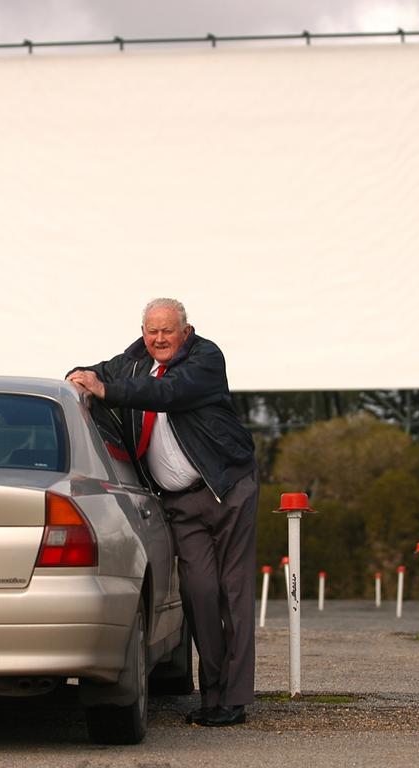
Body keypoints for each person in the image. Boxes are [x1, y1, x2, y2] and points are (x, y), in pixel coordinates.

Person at [67, 297, 258, 728]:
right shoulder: (137, 360)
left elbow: (167, 394)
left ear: (184, 331)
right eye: (151, 331)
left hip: (226, 487)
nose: (159, 339)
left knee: (234, 593)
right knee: (199, 593)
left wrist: (108, 390)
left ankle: (234, 698)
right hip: (179, 503)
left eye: (167, 330)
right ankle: (212, 696)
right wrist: (79, 379)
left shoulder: (206, 358)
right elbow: (100, 371)